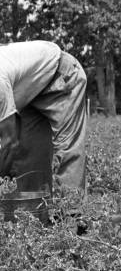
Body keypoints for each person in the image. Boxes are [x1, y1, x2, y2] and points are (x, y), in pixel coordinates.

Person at [0, 40, 87, 194]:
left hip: (61, 75)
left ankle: (72, 213)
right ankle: (33, 212)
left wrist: (2, 179)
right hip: (29, 89)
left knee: (68, 148)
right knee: (30, 157)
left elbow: (9, 142)